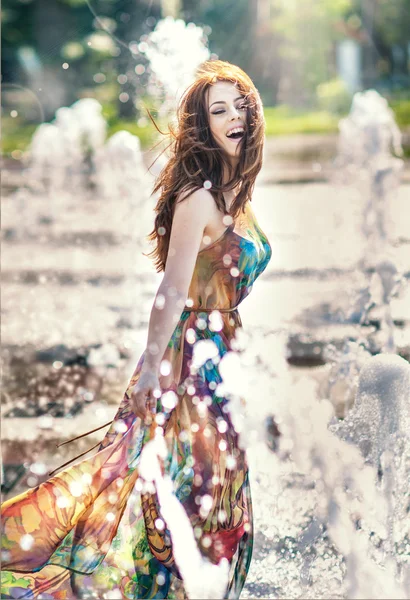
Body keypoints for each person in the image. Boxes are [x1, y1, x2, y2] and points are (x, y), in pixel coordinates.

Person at [1, 59, 272, 599]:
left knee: (219, 490)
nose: (234, 116)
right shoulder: (198, 197)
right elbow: (172, 292)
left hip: (222, 359)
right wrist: (150, 370)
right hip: (190, 363)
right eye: (218, 110)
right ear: (203, 125)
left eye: (239, 104)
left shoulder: (233, 190)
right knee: (195, 490)